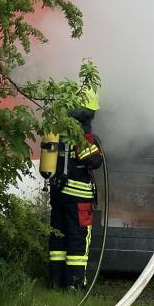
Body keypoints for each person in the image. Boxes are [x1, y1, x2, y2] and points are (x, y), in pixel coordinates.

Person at [48, 84, 102, 289]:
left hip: (58, 195)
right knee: (77, 240)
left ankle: (56, 282)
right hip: (78, 199)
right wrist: (95, 147)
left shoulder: (58, 132)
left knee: (58, 239)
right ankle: (75, 285)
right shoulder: (81, 137)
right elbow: (94, 161)